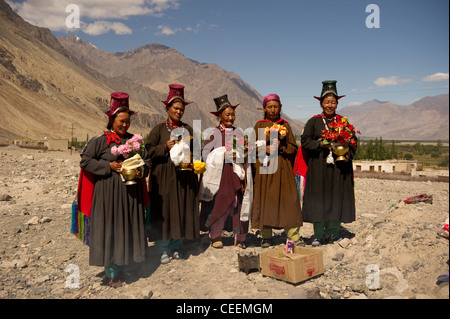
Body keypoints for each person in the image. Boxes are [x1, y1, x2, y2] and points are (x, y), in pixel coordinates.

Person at [77, 92, 151, 287]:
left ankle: (126, 262)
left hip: (131, 194)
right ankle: (112, 272)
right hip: (107, 195)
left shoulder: (135, 142)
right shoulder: (100, 141)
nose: (125, 125)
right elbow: (85, 161)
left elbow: (148, 162)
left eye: (127, 121)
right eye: (121, 121)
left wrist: (140, 171)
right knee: (111, 230)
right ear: (112, 120)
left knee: (128, 227)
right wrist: (108, 167)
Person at [145, 84, 200, 264]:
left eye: (181, 109)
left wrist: (193, 162)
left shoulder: (188, 129)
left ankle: (176, 245)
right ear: (167, 108)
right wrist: (164, 147)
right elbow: (148, 151)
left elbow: (195, 151)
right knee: (166, 212)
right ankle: (162, 248)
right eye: (175, 108)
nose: (178, 112)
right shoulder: (159, 129)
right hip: (164, 179)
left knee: (181, 210)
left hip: (184, 178)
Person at [301, 80, 357, 246]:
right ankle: (318, 235)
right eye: (327, 102)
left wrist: (347, 153)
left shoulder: (343, 122)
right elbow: (304, 141)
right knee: (319, 198)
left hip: (339, 168)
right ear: (321, 103)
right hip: (319, 167)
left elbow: (353, 140)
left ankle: (333, 232)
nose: (330, 105)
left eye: (333, 102)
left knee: (335, 197)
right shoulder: (313, 122)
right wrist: (320, 144)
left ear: (337, 103)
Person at [199, 95, 252, 249]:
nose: (231, 117)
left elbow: (245, 150)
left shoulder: (239, 132)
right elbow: (205, 154)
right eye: (227, 114)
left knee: (238, 205)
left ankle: (240, 237)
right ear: (219, 116)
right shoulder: (214, 133)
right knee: (220, 204)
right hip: (221, 176)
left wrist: (241, 154)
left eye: (233, 114)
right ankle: (215, 236)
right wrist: (221, 154)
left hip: (237, 174)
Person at [251, 94, 303, 248]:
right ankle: (266, 236)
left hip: (283, 168)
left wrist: (281, 146)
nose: (273, 110)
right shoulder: (259, 126)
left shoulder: (285, 125)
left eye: (275, 106)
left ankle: (293, 235)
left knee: (289, 199)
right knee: (266, 200)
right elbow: (251, 148)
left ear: (280, 107)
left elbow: (294, 148)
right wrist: (264, 148)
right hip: (265, 168)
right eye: (269, 107)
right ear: (265, 108)